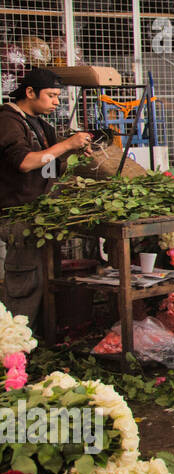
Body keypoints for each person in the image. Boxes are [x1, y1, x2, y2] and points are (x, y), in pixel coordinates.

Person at [0, 68, 92, 326]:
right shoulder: (9, 120)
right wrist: (66, 145)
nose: (56, 102)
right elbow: (26, 163)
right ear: (30, 92)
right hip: (18, 217)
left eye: (57, 96)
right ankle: (13, 350)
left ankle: (38, 341)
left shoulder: (41, 125)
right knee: (24, 283)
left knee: (44, 280)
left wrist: (73, 156)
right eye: (51, 95)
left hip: (40, 215)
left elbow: (50, 166)